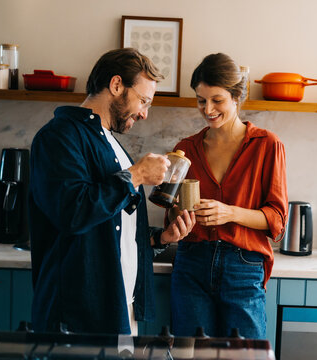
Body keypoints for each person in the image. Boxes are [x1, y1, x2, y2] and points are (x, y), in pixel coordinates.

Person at [29, 48, 195, 335]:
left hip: (117, 306)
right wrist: (138, 174)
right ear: (116, 85)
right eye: (143, 100)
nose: (144, 113)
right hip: (77, 318)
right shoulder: (58, 136)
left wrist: (160, 237)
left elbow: (114, 227)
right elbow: (73, 211)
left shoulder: (111, 143)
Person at [169, 53, 288, 339]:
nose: (207, 109)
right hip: (192, 263)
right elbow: (172, 218)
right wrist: (176, 210)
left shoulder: (266, 145)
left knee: (246, 356)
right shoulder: (186, 148)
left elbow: (277, 220)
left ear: (236, 97)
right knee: (192, 355)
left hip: (243, 267)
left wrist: (230, 212)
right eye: (201, 100)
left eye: (217, 100)